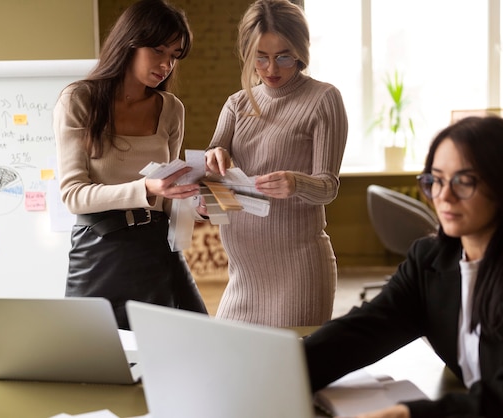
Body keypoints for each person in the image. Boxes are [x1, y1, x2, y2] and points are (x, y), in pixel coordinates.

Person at [303, 115, 503, 418]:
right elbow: (366, 329)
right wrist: (286, 367)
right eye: (436, 180)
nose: (444, 196)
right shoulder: (430, 259)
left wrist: (410, 414)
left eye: (464, 181)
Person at [53, 0, 208, 330]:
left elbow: (168, 198)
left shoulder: (171, 109)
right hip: (99, 249)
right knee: (95, 360)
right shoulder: (79, 100)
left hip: (156, 248)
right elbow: (73, 196)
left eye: (175, 55)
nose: (166, 64)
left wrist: (197, 202)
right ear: (129, 42)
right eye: (158, 50)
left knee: (189, 346)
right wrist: (144, 189)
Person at [204, 0, 348, 327]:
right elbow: (218, 183)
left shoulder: (323, 99)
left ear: (301, 52)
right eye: (261, 57)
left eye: (283, 56)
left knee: (291, 375)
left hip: (297, 271)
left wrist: (296, 183)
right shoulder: (237, 104)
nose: (271, 69)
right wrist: (206, 196)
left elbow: (328, 188)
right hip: (243, 273)